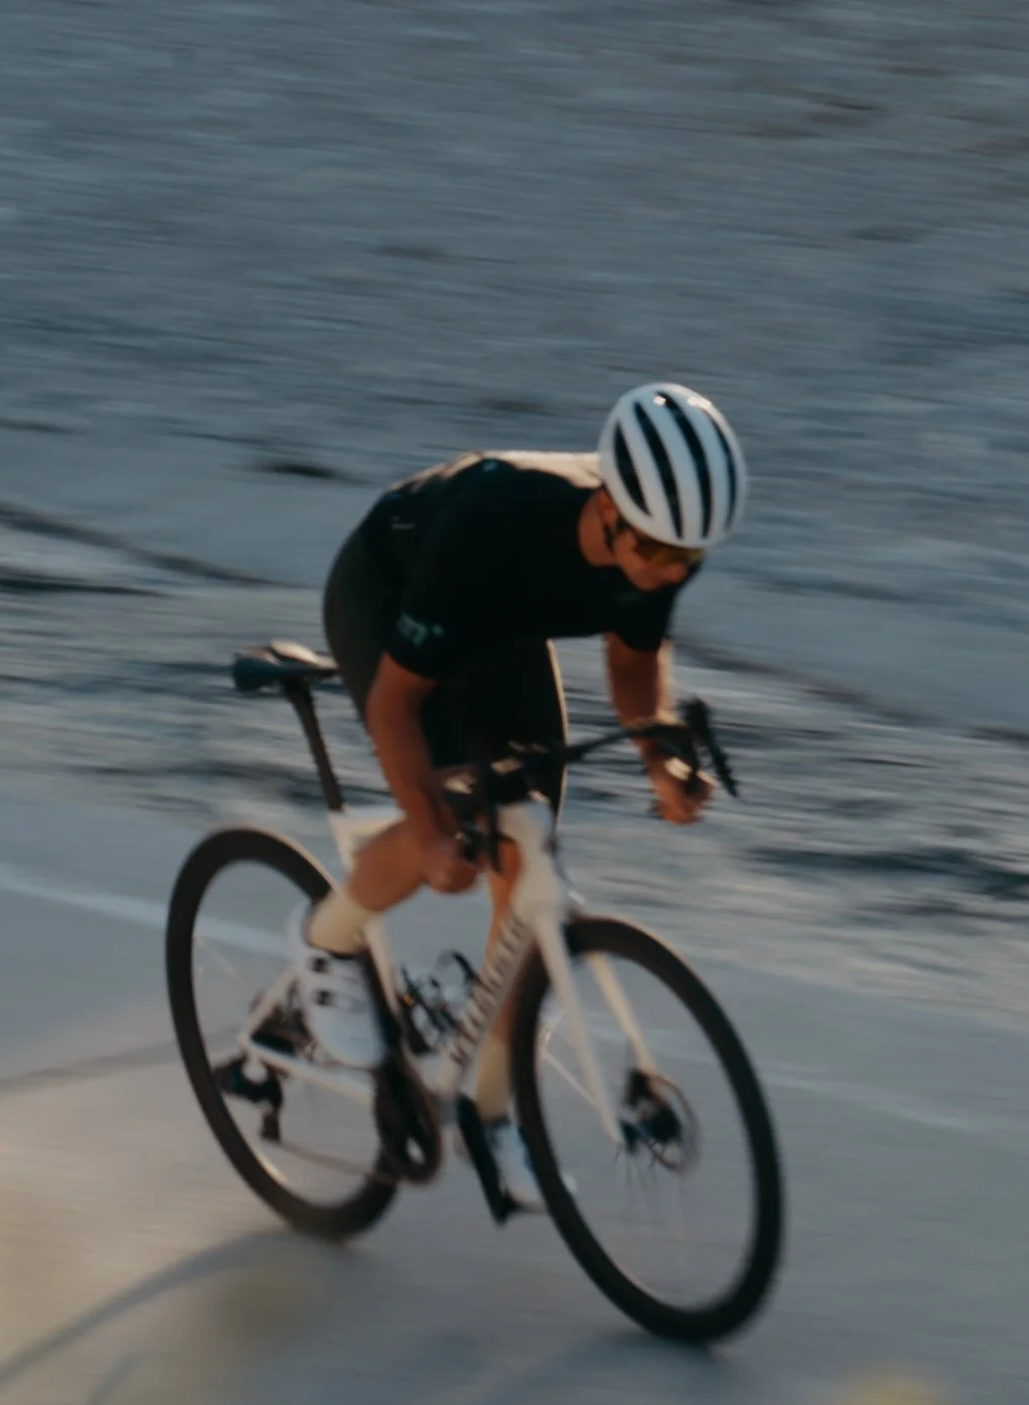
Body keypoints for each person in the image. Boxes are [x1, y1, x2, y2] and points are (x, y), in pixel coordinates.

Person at [300, 382, 747, 1209]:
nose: (664, 573)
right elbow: (396, 704)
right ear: (610, 507)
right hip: (394, 591)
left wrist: (660, 760)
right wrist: (432, 830)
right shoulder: (502, 524)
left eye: (687, 561)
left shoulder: (664, 539)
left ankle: (493, 1113)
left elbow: (632, 658)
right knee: (455, 845)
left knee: (527, 846)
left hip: (500, 627)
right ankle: (327, 944)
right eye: (654, 550)